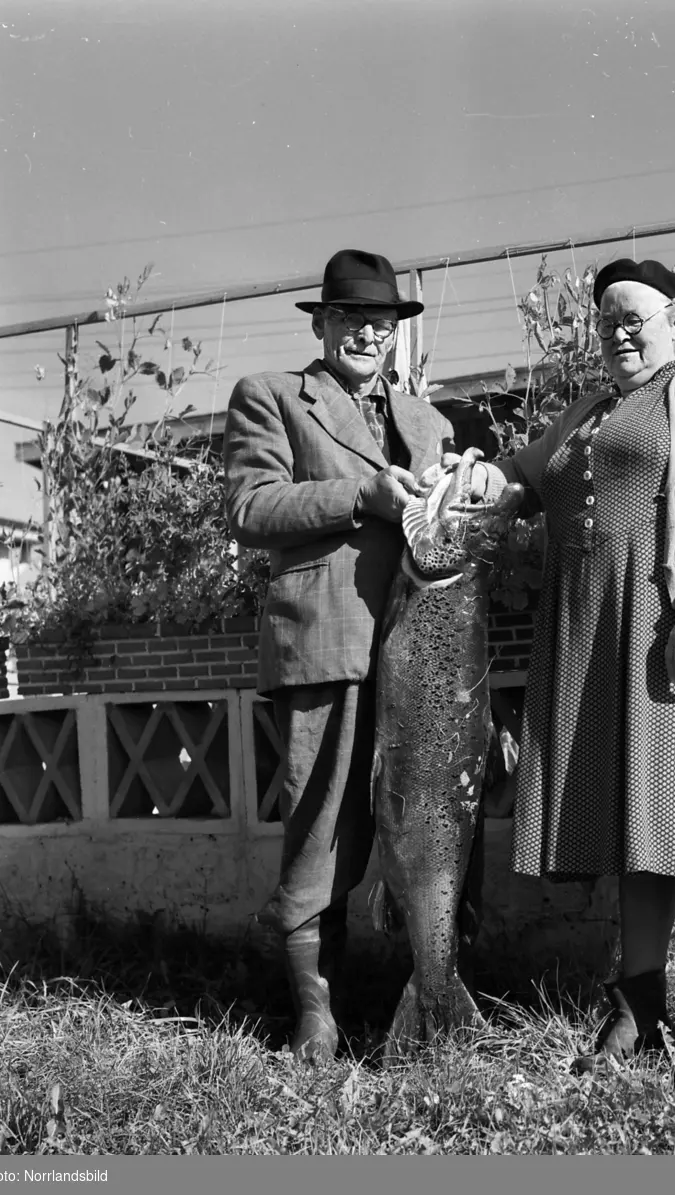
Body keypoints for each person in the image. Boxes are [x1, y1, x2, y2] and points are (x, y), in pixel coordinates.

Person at [468, 258, 675, 1079]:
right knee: (635, 829)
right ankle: (639, 1007)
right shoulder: (589, 409)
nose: (618, 330)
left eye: (635, 316)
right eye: (606, 318)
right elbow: (525, 476)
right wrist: (477, 478)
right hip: (604, 638)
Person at [223, 249, 455, 1063]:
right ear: (320, 323)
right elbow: (251, 507)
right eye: (351, 319)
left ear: (397, 335)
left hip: (422, 655)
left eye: (381, 324)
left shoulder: (427, 419)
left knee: (423, 831)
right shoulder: (274, 397)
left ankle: (427, 1000)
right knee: (323, 828)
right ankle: (316, 1018)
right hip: (327, 644)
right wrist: (362, 494)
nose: (367, 334)